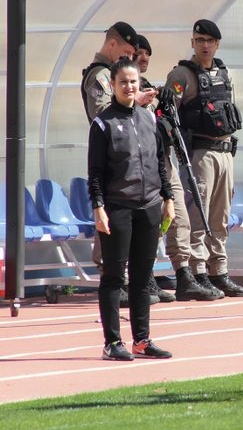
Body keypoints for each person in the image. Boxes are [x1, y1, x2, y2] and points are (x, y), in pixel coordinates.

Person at [87, 56, 176, 361]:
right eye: (123, 81)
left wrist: (168, 199)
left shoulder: (148, 118)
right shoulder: (103, 124)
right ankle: (112, 342)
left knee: (142, 276)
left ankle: (142, 340)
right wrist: (98, 207)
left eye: (133, 81)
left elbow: (160, 164)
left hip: (150, 206)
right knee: (114, 276)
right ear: (112, 85)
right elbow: (95, 173)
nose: (129, 86)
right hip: (118, 208)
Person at [164, 19, 243, 299]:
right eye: (199, 40)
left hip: (225, 151)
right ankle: (197, 271)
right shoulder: (181, 74)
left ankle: (219, 271)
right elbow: (168, 115)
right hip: (199, 153)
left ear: (217, 44)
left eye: (210, 41)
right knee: (197, 214)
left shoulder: (224, 73)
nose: (204, 45)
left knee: (220, 216)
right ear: (192, 42)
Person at [135, 34, 220, 302]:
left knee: (179, 217)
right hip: (139, 166)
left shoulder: (148, 87)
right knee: (147, 224)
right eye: (138, 53)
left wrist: (163, 100)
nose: (143, 58)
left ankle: (183, 275)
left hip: (164, 160)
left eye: (147, 53)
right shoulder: (121, 88)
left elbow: (162, 121)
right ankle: (141, 279)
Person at [81, 22, 159, 306]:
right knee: (112, 224)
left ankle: (130, 282)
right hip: (112, 158)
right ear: (112, 44)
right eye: (126, 52)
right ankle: (114, 278)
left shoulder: (114, 74)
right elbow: (104, 114)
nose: (129, 60)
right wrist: (135, 99)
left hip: (129, 160)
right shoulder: (100, 75)